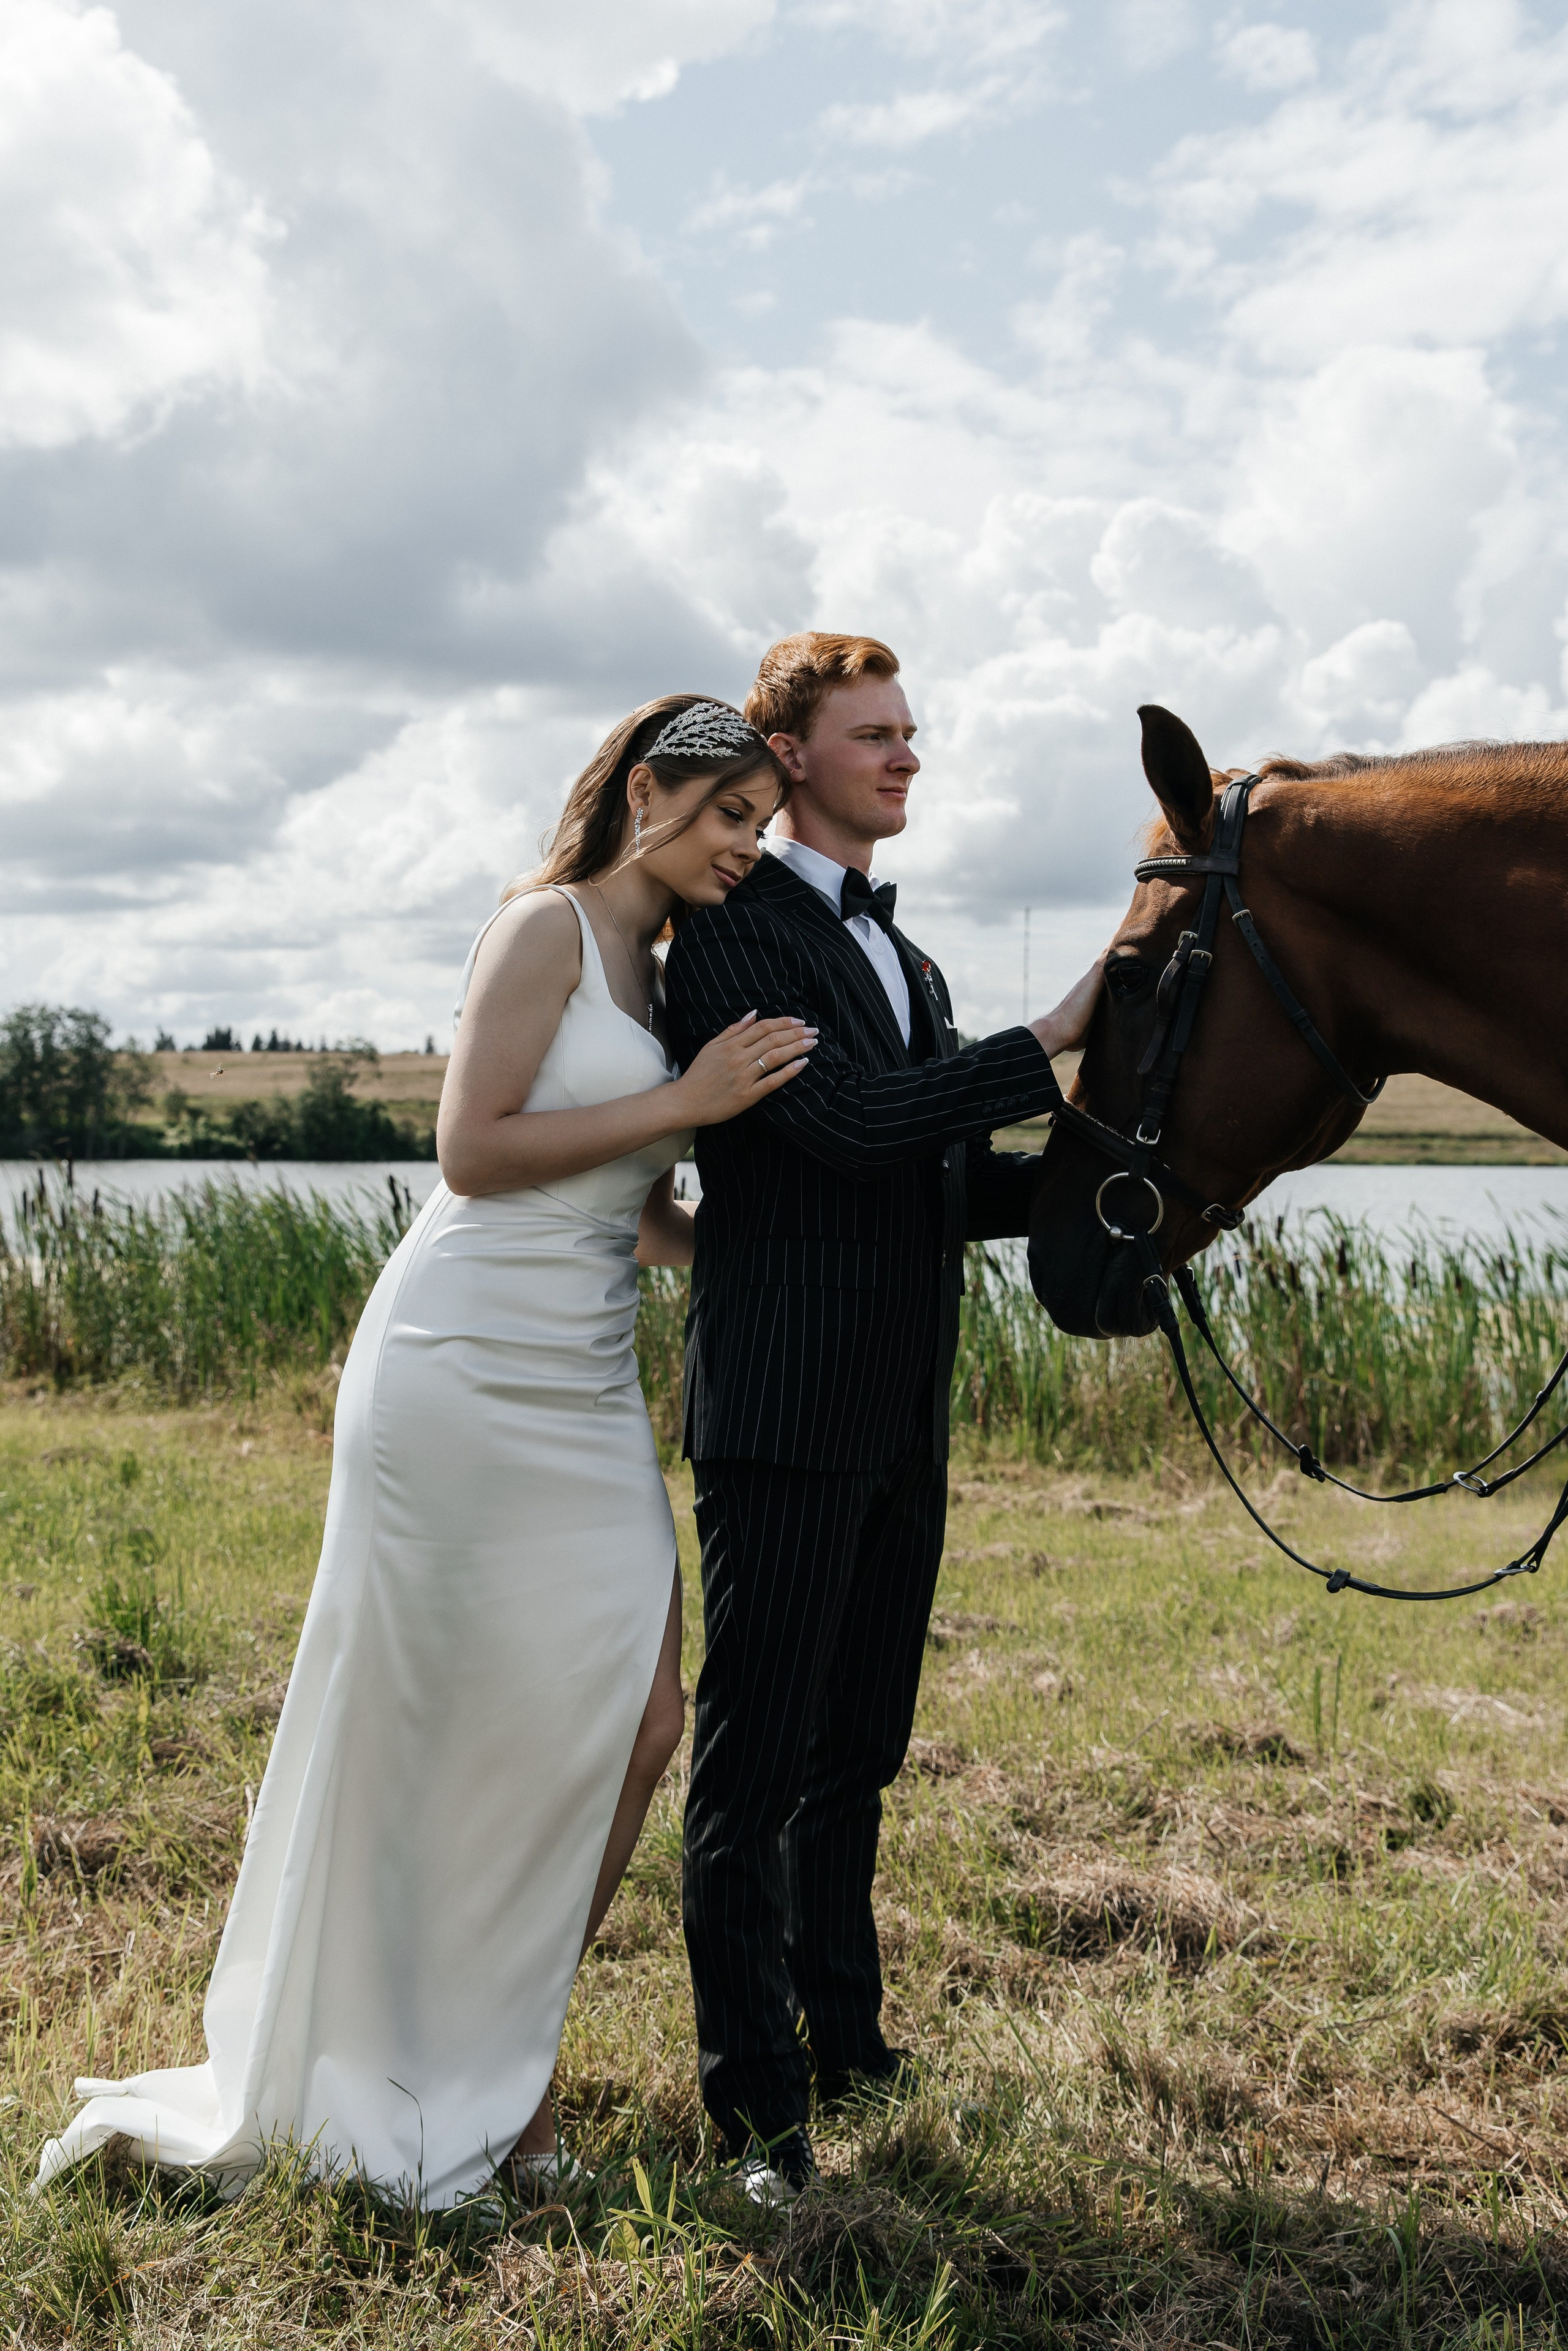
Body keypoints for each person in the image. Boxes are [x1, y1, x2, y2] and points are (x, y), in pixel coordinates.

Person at [37, 695, 814, 2209]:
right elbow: (473, 1149)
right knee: (434, 1724)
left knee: (638, 1722)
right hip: (456, 1368)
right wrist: (689, 1099)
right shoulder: (542, 929)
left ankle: (492, 2056)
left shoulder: (666, 967)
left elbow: (622, 1193)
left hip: (584, 1378)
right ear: (648, 789)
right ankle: (480, 2104)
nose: (745, 849)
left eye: (762, 828)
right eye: (728, 814)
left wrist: (738, 1235)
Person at [664, 633, 1103, 2202]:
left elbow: (933, 1177)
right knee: (752, 1767)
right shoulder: (728, 936)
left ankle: (841, 2039)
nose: (907, 755)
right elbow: (846, 1130)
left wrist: (1142, 1186)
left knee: (860, 1749)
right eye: (874, 733)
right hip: (781, 1411)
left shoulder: (906, 964)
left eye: (913, 731)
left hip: (901, 1415)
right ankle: (756, 2112)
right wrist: (1043, 1037)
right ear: (785, 756)